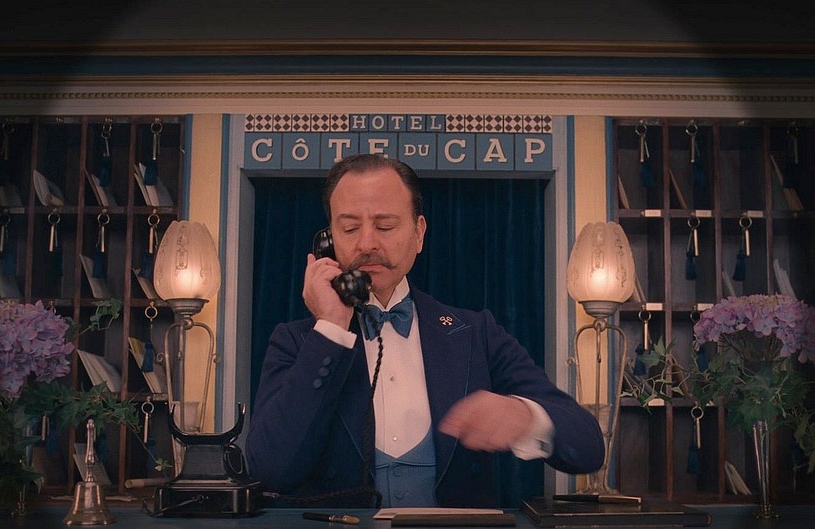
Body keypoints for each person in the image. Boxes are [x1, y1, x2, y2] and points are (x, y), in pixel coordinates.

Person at [246, 153, 604, 508]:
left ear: (418, 234)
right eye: (350, 228)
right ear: (328, 241)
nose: (367, 243)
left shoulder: (476, 334)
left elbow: (588, 446)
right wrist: (330, 331)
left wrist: (525, 417)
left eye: (385, 226)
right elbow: (270, 471)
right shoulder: (296, 342)